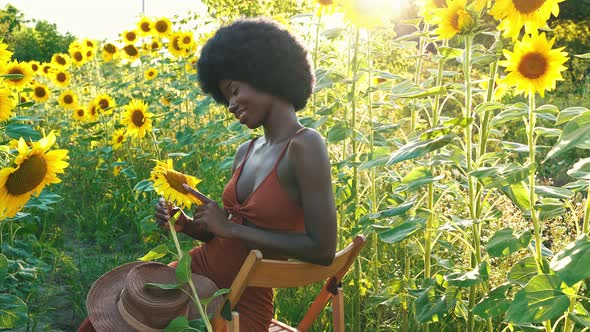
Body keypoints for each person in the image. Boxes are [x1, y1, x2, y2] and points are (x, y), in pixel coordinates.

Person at [81, 17, 337, 331]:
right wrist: (188, 226)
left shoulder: (305, 145)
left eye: (233, 90)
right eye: (224, 98)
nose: (230, 105)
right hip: (193, 276)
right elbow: (226, 237)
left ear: (264, 72)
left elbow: (323, 250)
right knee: (108, 317)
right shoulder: (246, 151)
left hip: (240, 299)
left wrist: (231, 229)